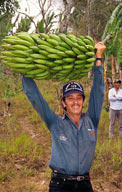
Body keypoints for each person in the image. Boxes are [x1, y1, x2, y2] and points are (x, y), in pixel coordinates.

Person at [21, 41, 106, 192]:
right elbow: (35, 97)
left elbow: (98, 93)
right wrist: (24, 66)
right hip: (60, 184)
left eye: (79, 98)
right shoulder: (55, 122)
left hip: (85, 184)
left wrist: (98, 59)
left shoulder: (91, 120)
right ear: (64, 102)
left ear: (83, 101)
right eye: (70, 98)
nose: (75, 102)